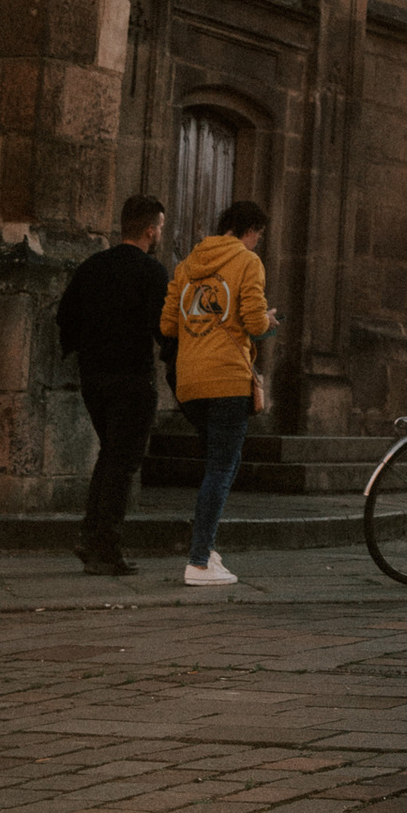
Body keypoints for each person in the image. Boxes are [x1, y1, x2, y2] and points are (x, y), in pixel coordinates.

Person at [160, 202, 271, 588]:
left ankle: (207, 549)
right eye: (259, 234)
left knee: (215, 466)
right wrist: (269, 321)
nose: (258, 242)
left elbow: (167, 324)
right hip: (226, 380)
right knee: (222, 469)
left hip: (189, 384)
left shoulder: (187, 263)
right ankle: (198, 561)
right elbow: (255, 322)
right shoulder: (247, 262)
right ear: (250, 229)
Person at [56, 194, 166, 576]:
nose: (159, 233)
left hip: (94, 378)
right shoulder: (151, 272)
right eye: (160, 227)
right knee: (122, 463)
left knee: (110, 456)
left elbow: (66, 315)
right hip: (132, 378)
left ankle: (91, 536)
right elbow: (161, 327)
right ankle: (106, 547)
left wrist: (81, 349)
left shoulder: (92, 266)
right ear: (151, 229)